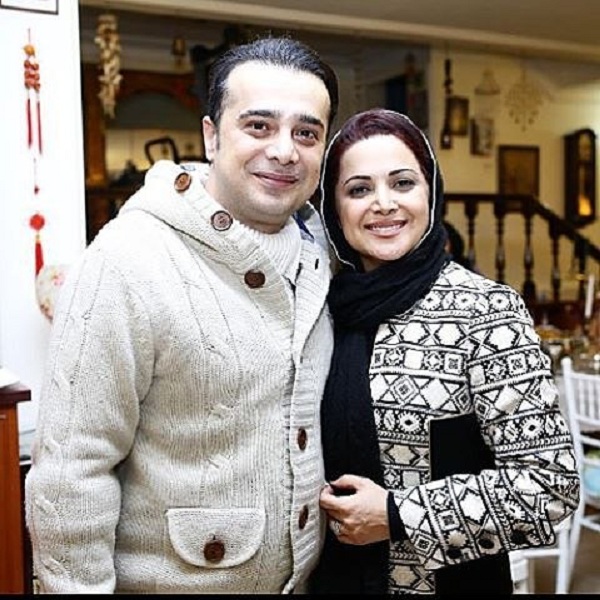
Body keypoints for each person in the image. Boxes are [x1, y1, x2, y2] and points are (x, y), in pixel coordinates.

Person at [25, 36, 339, 594]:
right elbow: (73, 471)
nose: (284, 151)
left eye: (306, 134)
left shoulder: (324, 257)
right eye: (259, 126)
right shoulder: (128, 258)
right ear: (212, 136)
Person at [309, 108, 580, 595]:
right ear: (333, 208)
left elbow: (549, 486)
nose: (384, 204)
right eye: (359, 189)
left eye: (403, 183)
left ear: (430, 193)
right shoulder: (318, 311)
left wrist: (397, 515)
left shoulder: (485, 311)